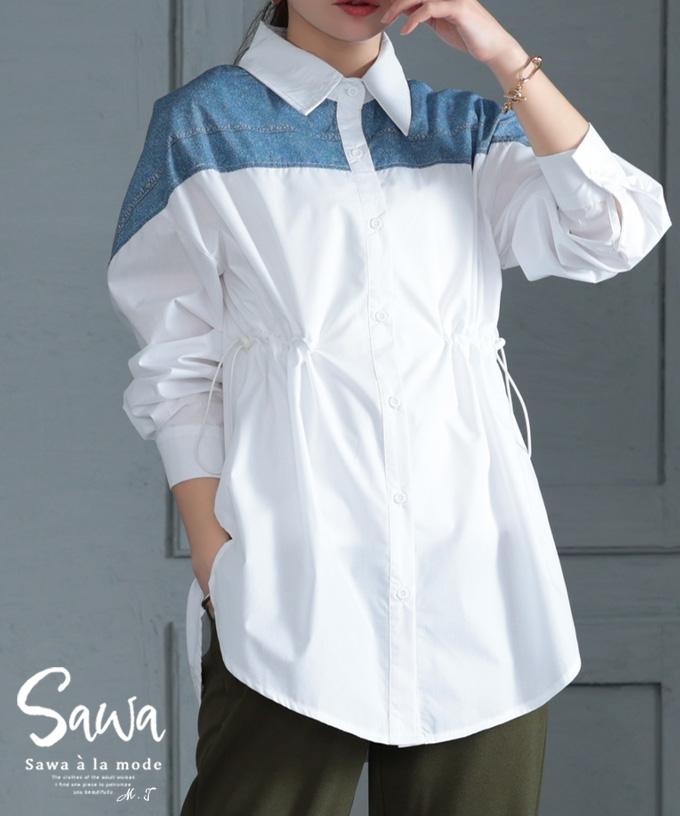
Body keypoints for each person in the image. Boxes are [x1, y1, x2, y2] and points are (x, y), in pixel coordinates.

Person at [106, 0, 672, 813]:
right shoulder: (203, 126)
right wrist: (215, 555)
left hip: (476, 590)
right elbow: (176, 362)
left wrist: (502, 52)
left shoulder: (467, 131)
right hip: (294, 585)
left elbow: (617, 228)